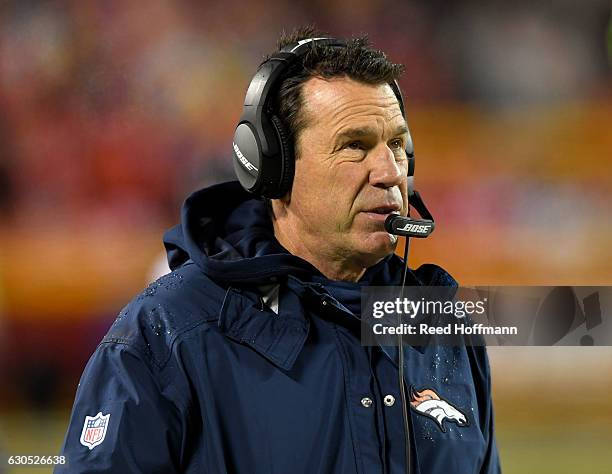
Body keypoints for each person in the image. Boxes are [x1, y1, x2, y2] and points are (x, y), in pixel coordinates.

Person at [58, 27, 500, 474]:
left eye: (397, 146)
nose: (389, 172)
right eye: (355, 146)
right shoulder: (166, 332)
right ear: (274, 168)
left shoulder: (441, 324)